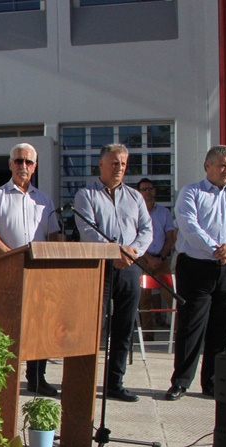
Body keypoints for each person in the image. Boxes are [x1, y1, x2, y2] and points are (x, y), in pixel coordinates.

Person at [164, 146, 226, 401]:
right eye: (221, 165)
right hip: (197, 266)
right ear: (208, 167)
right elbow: (188, 224)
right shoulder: (191, 192)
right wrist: (215, 248)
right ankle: (181, 382)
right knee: (191, 326)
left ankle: (214, 383)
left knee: (224, 328)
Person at [73, 143, 152, 402]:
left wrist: (133, 251)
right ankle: (84, 382)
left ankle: (115, 383)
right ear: (102, 165)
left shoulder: (135, 197)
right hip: (100, 267)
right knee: (95, 326)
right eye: (114, 163)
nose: (120, 168)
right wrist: (113, 251)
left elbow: (146, 230)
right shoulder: (86, 195)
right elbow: (88, 231)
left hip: (129, 268)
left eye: (123, 164)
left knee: (124, 326)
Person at [0, 143, 61, 397]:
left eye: (28, 162)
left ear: (35, 167)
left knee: (38, 327)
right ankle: (4, 378)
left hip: (39, 274)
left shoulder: (44, 200)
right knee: (7, 327)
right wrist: (13, 258)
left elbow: (55, 234)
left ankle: (36, 378)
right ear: (10, 164)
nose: (23, 166)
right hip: (8, 272)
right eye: (18, 161)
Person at [136, 178, 177, 336]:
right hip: (143, 261)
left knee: (171, 297)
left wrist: (160, 257)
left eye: (150, 188)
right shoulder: (136, 212)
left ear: (154, 191)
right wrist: (148, 258)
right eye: (144, 189)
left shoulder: (163, 212)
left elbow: (170, 237)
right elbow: (134, 238)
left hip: (161, 260)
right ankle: (147, 334)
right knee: (143, 299)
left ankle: (177, 333)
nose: (147, 192)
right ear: (139, 193)